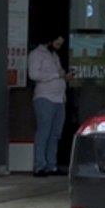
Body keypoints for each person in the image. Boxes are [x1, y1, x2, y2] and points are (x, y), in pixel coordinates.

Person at [27, 36, 68, 177]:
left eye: (61, 44)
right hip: (45, 98)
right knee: (44, 132)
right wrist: (57, 75)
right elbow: (33, 74)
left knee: (55, 134)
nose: (58, 46)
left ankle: (52, 165)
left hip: (59, 99)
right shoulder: (36, 55)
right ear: (50, 40)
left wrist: (64, 77)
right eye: (57, 43)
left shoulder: (54, 55)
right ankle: (39, 166)